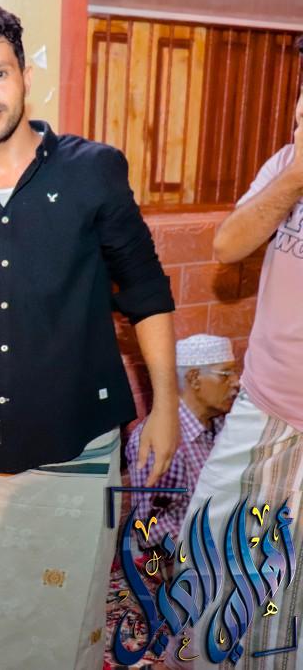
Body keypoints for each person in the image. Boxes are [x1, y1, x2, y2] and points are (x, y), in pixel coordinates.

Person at [0, 3, 178, 669]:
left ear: (24, 75)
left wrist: (165, 406)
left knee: (67, 623)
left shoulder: (91, 170)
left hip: (78, 446)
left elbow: (147, 289)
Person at [161, 36, 303, 670]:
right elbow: (227, 245)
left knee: (288, 583)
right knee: (209, 541)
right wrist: (296, 173)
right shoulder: (287, 164)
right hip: (264, 399)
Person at [125, 334, 239, 546]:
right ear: (194, 379)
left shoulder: (223, 423)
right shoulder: (162, 442)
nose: (236, 382)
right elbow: (148, 529)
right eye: (226, 374)